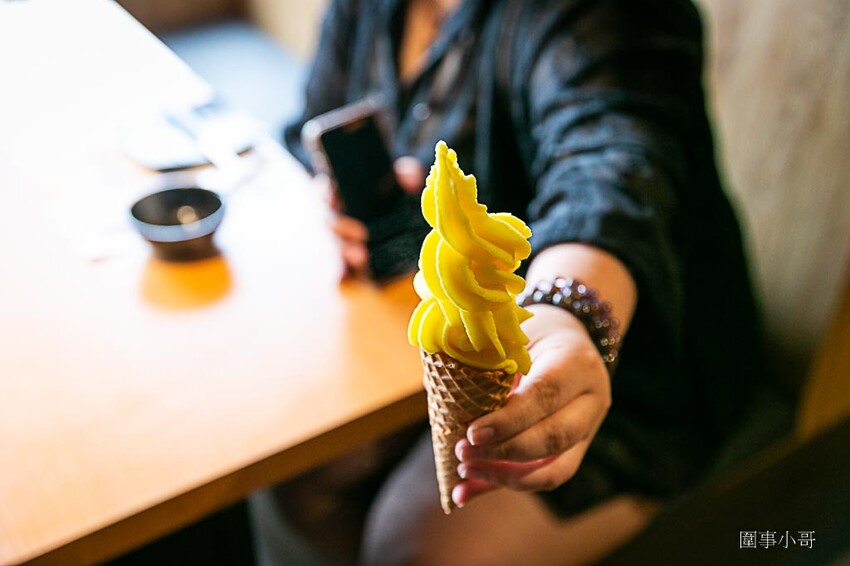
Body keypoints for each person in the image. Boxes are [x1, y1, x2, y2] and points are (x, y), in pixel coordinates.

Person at [258, 0, 773, 563]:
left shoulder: (607, 16)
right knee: (297, 473)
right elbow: (310, 125)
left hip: (633, 365)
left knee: (411, 549)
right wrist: (333, 201)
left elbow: (611, 168)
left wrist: (565, 310)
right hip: (430, 329)